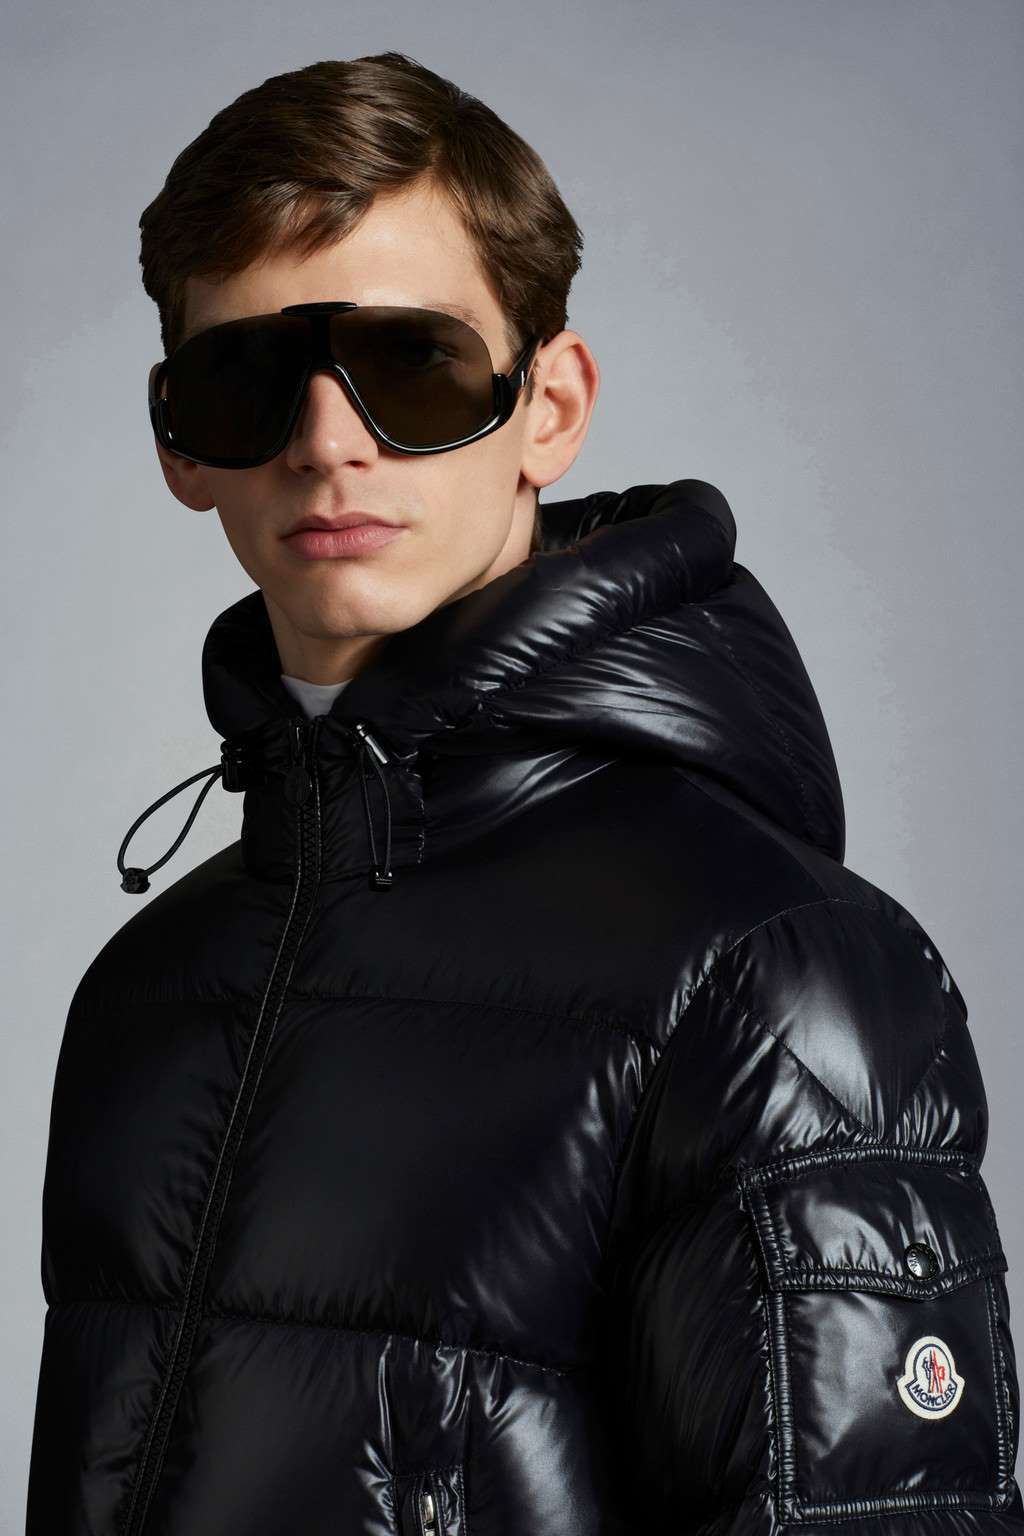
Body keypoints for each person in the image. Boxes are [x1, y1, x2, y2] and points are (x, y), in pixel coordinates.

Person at [26, 50, 1022, 1536]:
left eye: (411, 365)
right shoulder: (145, 991)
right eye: (246, 379)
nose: (326, 440)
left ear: (548, 407)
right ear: (179, 441)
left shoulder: (775, 977)